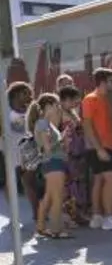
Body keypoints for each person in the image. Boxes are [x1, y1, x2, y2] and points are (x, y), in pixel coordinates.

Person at [81, 67, 112, 231]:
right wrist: (99, 149)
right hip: (100, 147)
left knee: (99, 180)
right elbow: (87, 125)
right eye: (111, 80)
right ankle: (109, 217)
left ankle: (97, 216)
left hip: (105, 146)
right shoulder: (91, 99)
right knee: (111, 179)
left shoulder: (103, 100)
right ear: (103, 82)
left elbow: (108, 127)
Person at [27, 93, 71, 239]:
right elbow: (47, 147)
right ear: (47, 106)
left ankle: (41, 227)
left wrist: (61, 139)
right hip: (53, 162)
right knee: (57, 197)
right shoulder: (43, 123)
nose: (58, 107)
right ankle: (56, 230)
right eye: (55, 105)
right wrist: (61, 139)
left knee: (49, 197)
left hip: (51, 163)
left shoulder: (45, 123)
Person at [4, 82, 40, 223]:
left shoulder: (32, 110)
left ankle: (37, 212)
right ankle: (13, 213)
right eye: (25, 93)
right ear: (15, 94)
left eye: (29, 93)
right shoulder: (5, 110)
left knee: (29, 182)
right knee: (11, 183)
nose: (29, 96)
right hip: (11, 152)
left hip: (28, 151)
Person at [58, 85, 89, 227]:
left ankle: (77, 213)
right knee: (70, 185)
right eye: (73, 100)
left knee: (78, 183)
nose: (76, 102)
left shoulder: (71, 113)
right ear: (65, 99)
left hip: (78, 153)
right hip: (68, 154)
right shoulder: (60, 114)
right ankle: (71, 215)